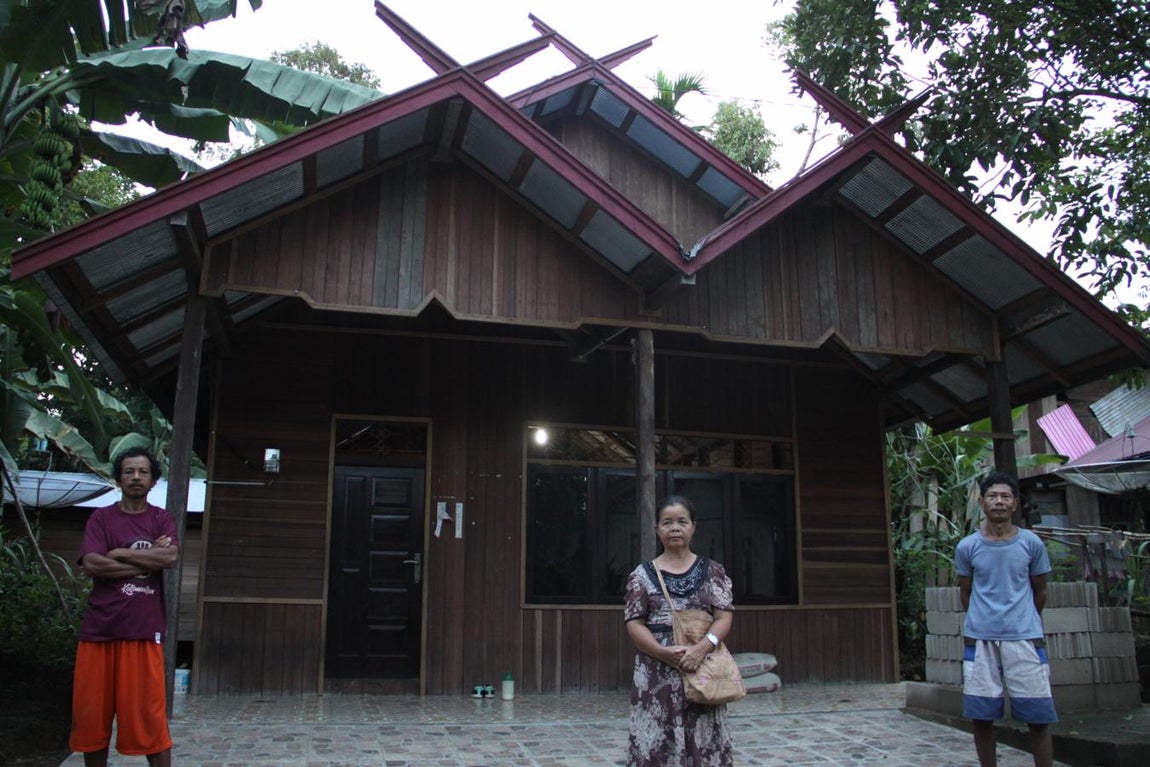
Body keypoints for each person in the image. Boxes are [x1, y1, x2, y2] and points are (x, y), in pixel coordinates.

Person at [70, 448, 178, 767]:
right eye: (129, 471)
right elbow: (92, 564)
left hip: (143, 631)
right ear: (119, 478)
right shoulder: (101, 518)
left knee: (149, 719)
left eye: (142, 472)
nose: (135, 477)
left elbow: (169, 558)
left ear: (153, 479)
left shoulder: (161, 518)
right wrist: (145, 563)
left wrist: (116, 553)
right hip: (99, 632)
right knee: (92, 720)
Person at [624, 495, 735, 767]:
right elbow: (634, 623)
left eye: (682, 521)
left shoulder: (713, 571)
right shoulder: (641, 575)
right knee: (656, 741)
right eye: (667, 522)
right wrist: (662, 653)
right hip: (655, 672)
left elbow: (723, 617)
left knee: (704, 738)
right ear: (657, 529)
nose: (675, 528)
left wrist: (702, 648)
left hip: (702, 667)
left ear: (693, 527)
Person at [956, 471, 1056, 767]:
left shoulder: (1031, 543)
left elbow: (1040, 591)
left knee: (1038, 718)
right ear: (982, 502)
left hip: (1024, 639)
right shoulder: (967, 547)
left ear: (1014, 505)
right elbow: (966, 593)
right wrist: (984, 620)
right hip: (981, 640)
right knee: (981, 717)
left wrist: (1023, 620)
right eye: (992, 496)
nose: (999, 502)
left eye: (1005, 497)